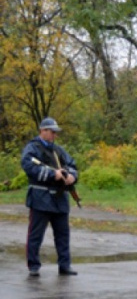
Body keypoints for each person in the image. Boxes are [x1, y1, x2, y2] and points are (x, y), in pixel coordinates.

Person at [21, 117, 79, 277]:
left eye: (55, 132)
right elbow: (29, 167)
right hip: (40, 198)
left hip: (60, 199)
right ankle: (33, 265)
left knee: (63, 235)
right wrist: (53, 174)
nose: (54, 135)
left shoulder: (59, 150)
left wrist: (71, 176)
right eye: (52, 132)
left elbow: (72, 165)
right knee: (36, 234)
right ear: (42, 131)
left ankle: (64, 265)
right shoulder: (32, 149)